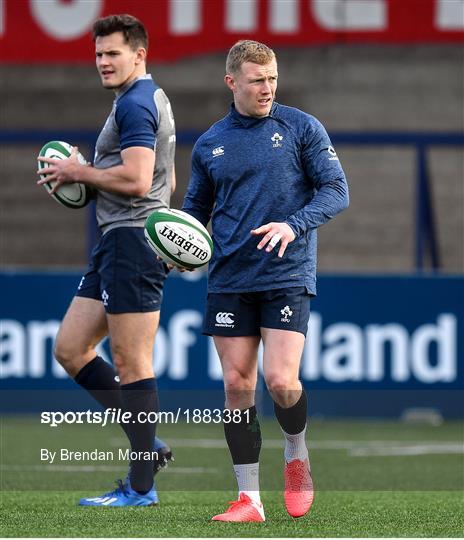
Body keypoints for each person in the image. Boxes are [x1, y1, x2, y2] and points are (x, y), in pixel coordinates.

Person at [182, 40, 349, 522]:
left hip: (285, 272)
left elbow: (337, 191)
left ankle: (296, 451)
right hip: (229, 277)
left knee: (280, 382)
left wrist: (292, 224)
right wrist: (177, 245)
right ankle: (249, 500)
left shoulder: (301, 127)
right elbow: (195, 211)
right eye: (257, 80)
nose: (268, 88)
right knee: (237, 386)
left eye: (273, 78)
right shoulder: (212, 142)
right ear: (232, 82)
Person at [37, 14, 176, 507]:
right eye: (98, 54)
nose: (102, 62)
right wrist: (84, 174)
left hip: (133, 240)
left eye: (112, 52)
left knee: (131, 361)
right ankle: (148, 445)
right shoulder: (135, 101)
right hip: (118, 238)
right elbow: (161, 181)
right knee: (71, 348)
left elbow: (139, 181)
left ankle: (141, 486)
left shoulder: (137, 102)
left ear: (139, 53)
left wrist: (81, 171)